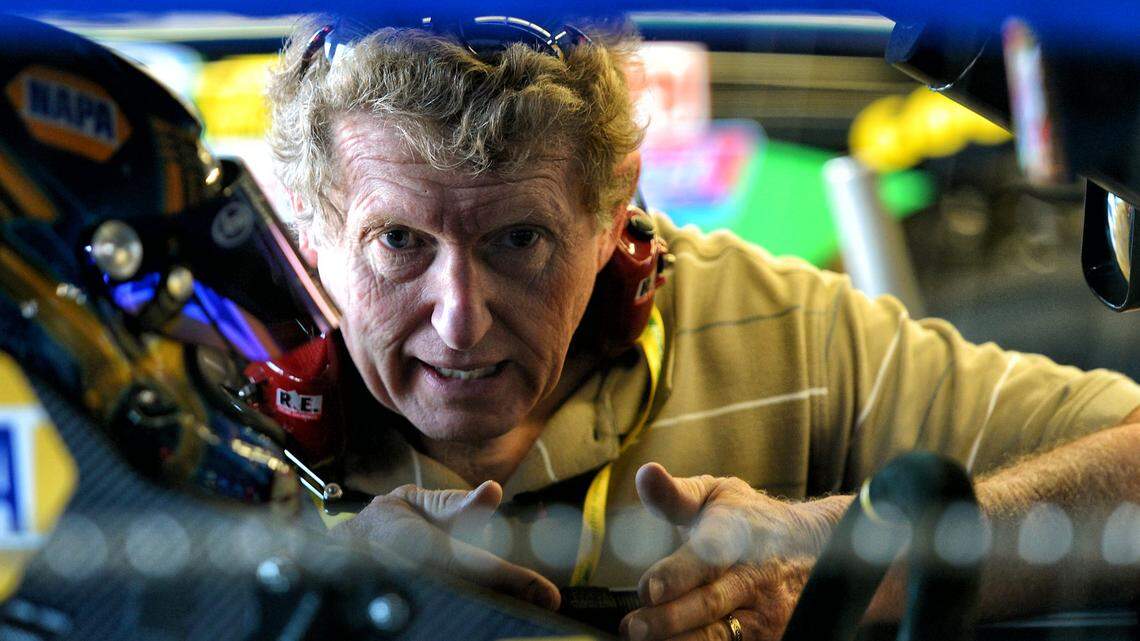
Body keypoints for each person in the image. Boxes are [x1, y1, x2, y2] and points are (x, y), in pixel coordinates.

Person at [265, 14, 1140, 641]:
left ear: (615, 209)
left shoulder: (784, 332)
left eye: (519, 239)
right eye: (401, 242)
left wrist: (848, 555)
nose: (459, 321)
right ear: (309, 221)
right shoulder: (205, 382)